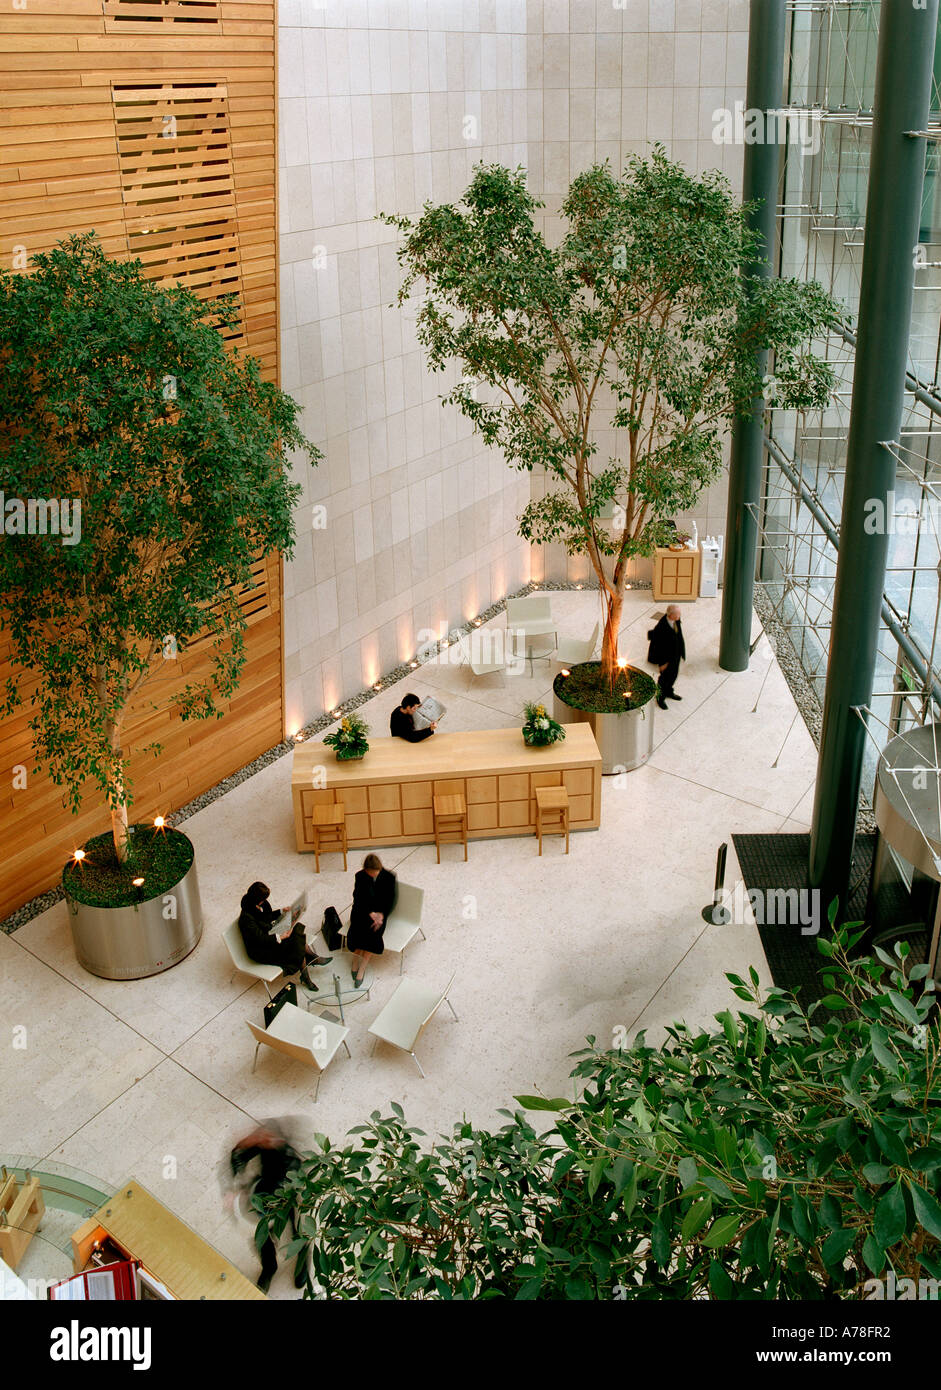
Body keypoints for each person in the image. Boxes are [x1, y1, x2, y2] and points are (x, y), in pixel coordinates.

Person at [227, 1120, 304, 1294]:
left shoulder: (287, 1150)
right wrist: (236, 1186)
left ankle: (302, 1261)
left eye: (268, 1139)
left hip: (287, 1194)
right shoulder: (260, 1142)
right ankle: (269, 1267)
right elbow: (237, 1156)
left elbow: (297, 1171)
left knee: (297, 1229)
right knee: (258, 1233)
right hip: (263, 1189)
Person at [238, 880, 330, 991]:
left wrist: (281, 911)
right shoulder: (246, 919)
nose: (265, 901)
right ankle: (308, 972)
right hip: (260, 949)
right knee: (295, 946)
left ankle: (310, 962)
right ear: (257, 899)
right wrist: (280, 937)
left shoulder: (260, 903)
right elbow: (259, 938)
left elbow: (266, 917)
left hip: (269, 935)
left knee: (295, 933)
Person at [346, 853, 397, 988]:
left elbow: (390, 901)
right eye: (369, 872)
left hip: (380, 914)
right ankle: (355, 961)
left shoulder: (389, 877)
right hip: (363, 911)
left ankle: (362, 967)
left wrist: (380, 915)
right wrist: (370, 913)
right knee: (358, 931)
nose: (372, 875)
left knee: (372, 934)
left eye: (374, 872)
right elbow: (358, 898)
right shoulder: (360, 876)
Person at [647, 605, 686, 710]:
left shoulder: (676, 620)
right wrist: (662, 663)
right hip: (666, 660)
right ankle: (660, 698)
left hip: (675, 656)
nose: (680, 615)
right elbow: (657, 647)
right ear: (671, 615)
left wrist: (681, 653)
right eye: (678, 614)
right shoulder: (662, 627)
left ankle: (669, 692)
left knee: (673, 676)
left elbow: (679, 636)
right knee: (664, 679)